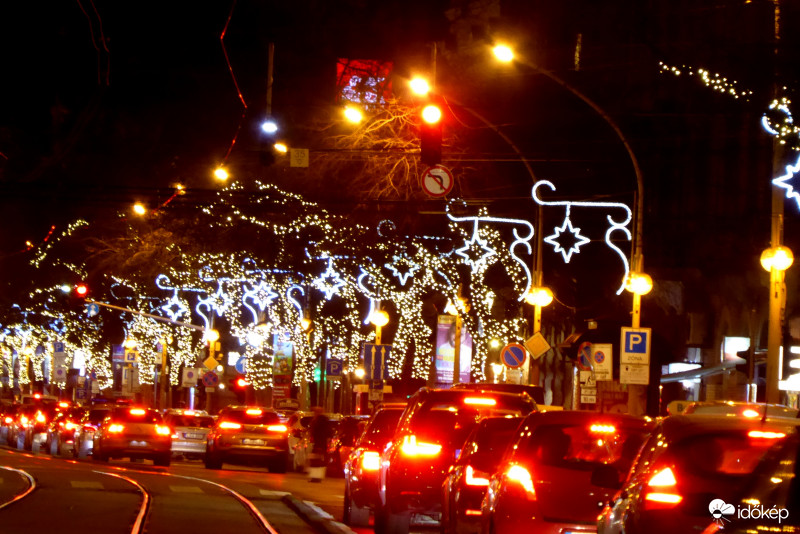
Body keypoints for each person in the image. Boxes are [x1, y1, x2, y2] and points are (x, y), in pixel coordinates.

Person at [307, 406, 332, 482]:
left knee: (317, 461)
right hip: (319, 443)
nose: (314, 413)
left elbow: (323, 432)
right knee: (317, 461)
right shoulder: (319, 419)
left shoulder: (321, 420)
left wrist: (321, 443)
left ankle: (316, 477)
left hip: (320, 443)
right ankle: (316, 477)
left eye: (316, 411)